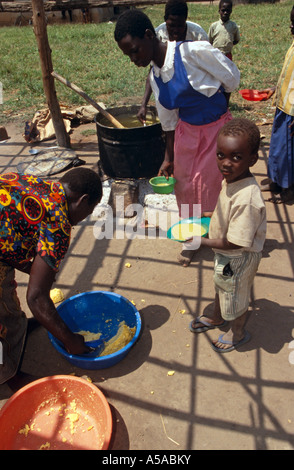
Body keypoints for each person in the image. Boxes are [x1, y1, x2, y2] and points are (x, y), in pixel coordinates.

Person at [114, 9, 240, 266]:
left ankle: (219, 238)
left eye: (135, 50)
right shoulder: (155, 77)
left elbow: (231, 77)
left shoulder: (193, 53)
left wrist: (218, 112)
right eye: (128, 55)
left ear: (149, 36)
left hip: (215, 130)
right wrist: (168, 157)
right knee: (184, 187)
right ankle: (193, 238)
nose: (133, 59)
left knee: (210, 186)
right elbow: (169, 121)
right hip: (186, 134)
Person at [0, 168, 102, 389]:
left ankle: (18, 328)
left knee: (5, 299)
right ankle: (7, 374)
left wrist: (33, 268)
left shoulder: (41, 185)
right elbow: (36, 298)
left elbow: (14, 229)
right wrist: (71, 341)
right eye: (91, 209)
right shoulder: (58, 223)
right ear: (83, 201)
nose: (86, 216)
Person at [189, 118, 266, 352]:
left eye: (236, 157)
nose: (226, 163)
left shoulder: (248, 199)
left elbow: (236, 241)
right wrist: (213, 213)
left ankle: (238, 332)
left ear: (252, 159)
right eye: (220, 155)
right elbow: (228, 209)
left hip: (239, 257)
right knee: (221, 285)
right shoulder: (232, 179)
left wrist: (201, 241)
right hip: (226, 254)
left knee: (234, 295)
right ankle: (217, 317)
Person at [137, 0, 209, 123]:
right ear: (165, 20)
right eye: (171, 26)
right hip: (169, 90)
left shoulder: (198, 36)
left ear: (185, 19)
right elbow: (152, 72)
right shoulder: (158, 35)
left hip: (193, 89)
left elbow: (207, 71)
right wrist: (144, 104)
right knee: (171, 126)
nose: (176, 31)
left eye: (180, 26)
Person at [259, 6, 294, 204]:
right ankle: (276, 181)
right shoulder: (293, 43)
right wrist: (276, 87)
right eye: (291, 21)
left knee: (288, 152)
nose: (291, 26)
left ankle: (288, 189)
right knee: (277, 148)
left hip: (292, 113)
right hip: (284, 107)